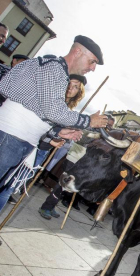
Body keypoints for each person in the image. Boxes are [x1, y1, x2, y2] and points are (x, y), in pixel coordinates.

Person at [0, 35, 108, 213]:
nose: (93, 68)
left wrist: (57, 131)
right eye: (92, 61)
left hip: (18, 139)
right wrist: (90, 121)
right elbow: (54, 111)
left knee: (4, 189)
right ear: (78, 51)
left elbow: (39, 108)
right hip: (10, 136)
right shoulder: (54, 68)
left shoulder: (54, 69)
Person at [6, 75, 86, 208]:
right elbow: (39, 124)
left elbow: (59, 133)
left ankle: (8, 192)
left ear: (79, 92)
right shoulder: (52, 101)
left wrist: (66, 136)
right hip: (29, 143)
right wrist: (52, 139)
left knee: (22, 177)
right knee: (10, 172)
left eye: (76, 87)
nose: (70, 88)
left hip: (43, 149)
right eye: (69, 84)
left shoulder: (68, 112)